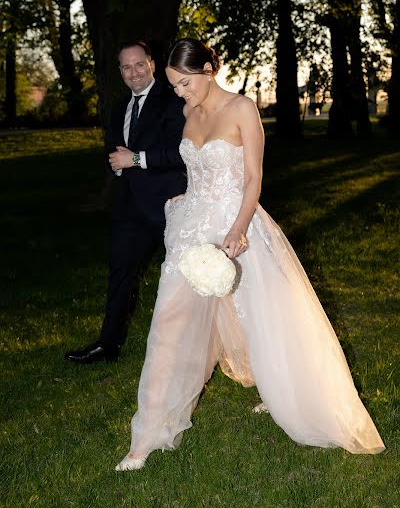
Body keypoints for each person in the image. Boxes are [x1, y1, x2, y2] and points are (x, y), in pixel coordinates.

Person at [115, 38, 385, 470]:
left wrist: (238, 229)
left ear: (207, 69)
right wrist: (184, 199)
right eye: (174, 85)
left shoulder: (242, 109)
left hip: (235, 227)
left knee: (263, 317)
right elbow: (197, 170)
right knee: (168, 324)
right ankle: (148, 434)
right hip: (189, 231)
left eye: (184, 83)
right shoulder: (187, 111)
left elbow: (253, 179)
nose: (180, 93)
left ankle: (287, 393)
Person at [65, 41, 187, 364]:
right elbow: (112, 152)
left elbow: (182, 153)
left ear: (152, 64)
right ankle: (108, 345)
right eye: (125, 67)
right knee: (120, 274)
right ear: (120, 71)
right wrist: (118, 165)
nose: (132, 72)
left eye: (138, 64)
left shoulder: (173, 101)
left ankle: (194, 345)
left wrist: (135, 159)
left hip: (170, 204)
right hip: (129, 207)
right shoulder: (119, 107)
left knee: (187, 274)